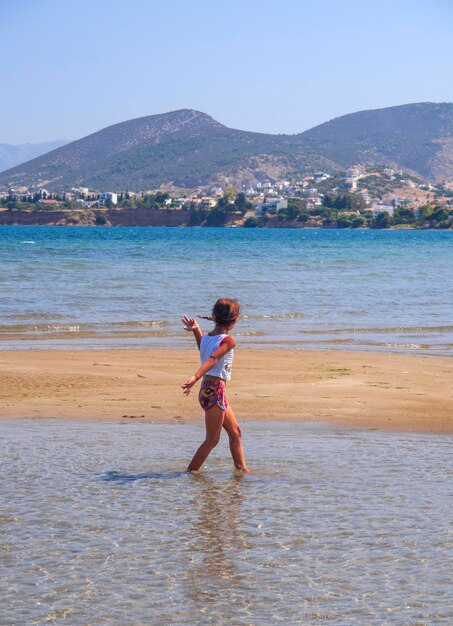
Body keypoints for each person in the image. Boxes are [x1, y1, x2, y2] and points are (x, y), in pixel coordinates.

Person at [181, 297, 249, 472]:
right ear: (234, 321)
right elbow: (212, 358)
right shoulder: (228, 341)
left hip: (211, 391)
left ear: (214, 315)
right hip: (215, 391)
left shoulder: (207, 338)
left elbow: (205, 351)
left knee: (236, 432)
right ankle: (189, 473)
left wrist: (196, 331)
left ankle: (241, 470)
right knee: (212, 440)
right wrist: (195, 377)